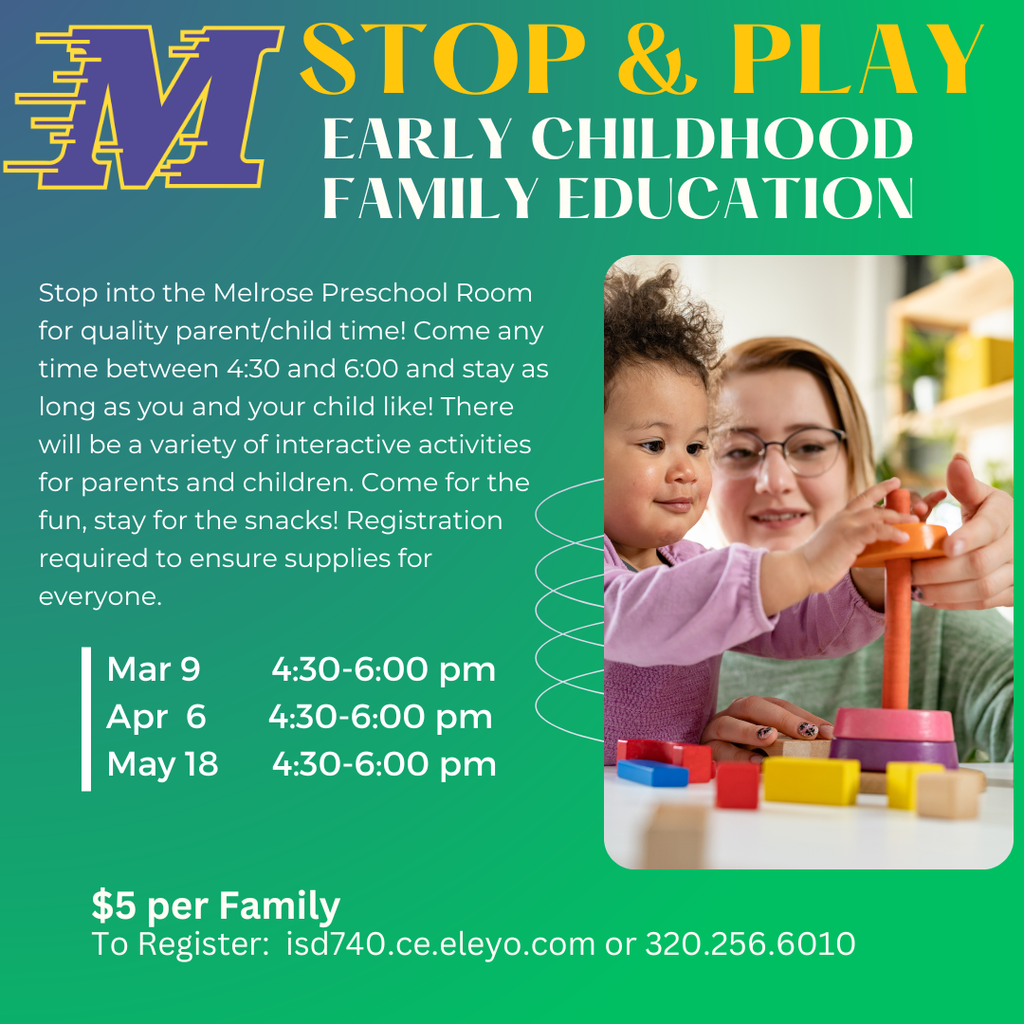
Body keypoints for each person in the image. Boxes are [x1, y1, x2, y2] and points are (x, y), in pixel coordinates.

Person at [603, 269, 919, 766]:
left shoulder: (687, 564)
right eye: (654, 444)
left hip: (666, 801)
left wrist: (865, 578)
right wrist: (800, 565)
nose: (686, 469)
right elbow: (640, 614)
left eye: (697, 445)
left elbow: (797, 622)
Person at [712, 337, 1013, 761]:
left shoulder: (933, 625)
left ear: (857, 466)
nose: (774, 480)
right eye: (739, 451)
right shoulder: (658, 627)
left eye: (810, 447)